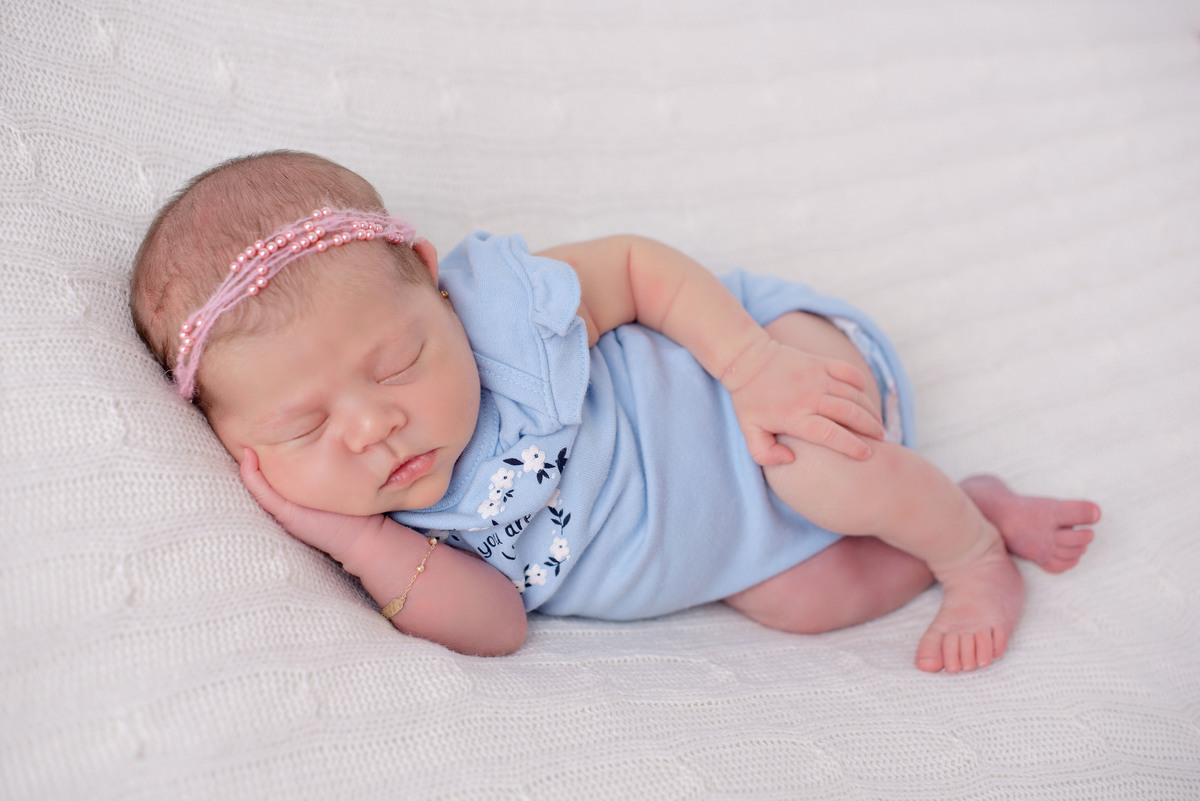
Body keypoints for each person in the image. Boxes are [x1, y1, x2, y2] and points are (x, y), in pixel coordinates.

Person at [130, 150, 1100, 671]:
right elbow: (498, 627)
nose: (372, 426)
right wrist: (340, 534)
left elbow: (637, 268)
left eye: (398, 362)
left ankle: (970, 558)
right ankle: (971, 505)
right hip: (758, 546)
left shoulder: (501, 320)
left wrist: (754, 363)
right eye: (303, 429)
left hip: (779, 382)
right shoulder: (388, 527)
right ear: (232, 444)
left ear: (431, 286)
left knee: (820, 468)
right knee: (801, 605)